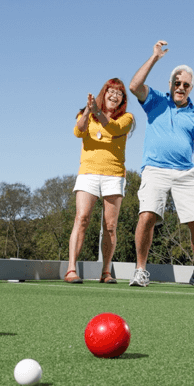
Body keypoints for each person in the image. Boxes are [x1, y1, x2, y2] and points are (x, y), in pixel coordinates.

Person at [128, 40, 194, 289]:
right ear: (170, 84)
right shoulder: (156, 100)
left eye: (186, 85)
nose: (181, 87)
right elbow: (134, 85)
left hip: (185, 174)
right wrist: (154, 58)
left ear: (191, 88)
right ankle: (140, 270)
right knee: (146, 216)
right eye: (177, 83)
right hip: (155, 169)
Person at [63, 79, 135, 284]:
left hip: (114, 175)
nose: (114, 95)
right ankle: (71, 269)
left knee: (110, 226)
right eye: (110, 91)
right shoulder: (88, 114)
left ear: (123, 100)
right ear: (103, 93)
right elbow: (78, 131)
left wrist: (98, 112)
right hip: (88, 172)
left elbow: (112, 129)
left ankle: (106, 272)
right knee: (82, 218)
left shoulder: (127, 119)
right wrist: (88, 110)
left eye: (119, 93)